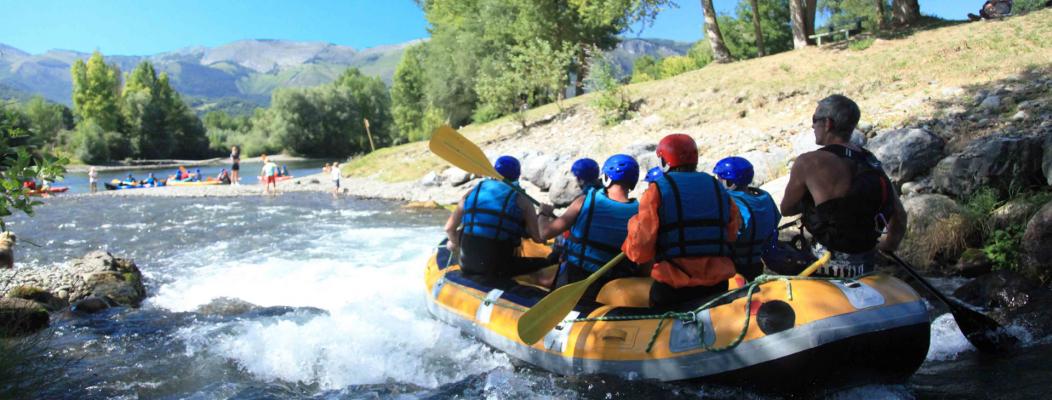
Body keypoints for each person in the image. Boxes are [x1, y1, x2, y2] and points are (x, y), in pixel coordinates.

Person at [780, 94, 907, 278]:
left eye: (814, 120)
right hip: (866, 264)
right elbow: (900, 217)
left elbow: (786, 209)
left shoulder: (809, 162)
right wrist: (888, 246)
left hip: (824, 265)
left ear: (828, 124)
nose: (812, 126)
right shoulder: (870, 161)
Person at [622, 134, 742, 307]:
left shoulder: (657, 190)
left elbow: (640, 251)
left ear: (664, 161)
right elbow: (732, 232)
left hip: (673, 287)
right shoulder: (717, 187)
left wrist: (633, 226)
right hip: (717, 285)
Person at [538, 155, 641, 301]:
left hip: (575, 277)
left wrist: (543, 213)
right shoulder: (640, 213)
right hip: (613, 288)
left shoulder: (585, 200)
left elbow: (544, 233)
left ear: (606, 177)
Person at [445, 155, 548, 288]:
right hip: (498, 268)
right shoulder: (522, 199)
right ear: (517, 176)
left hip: (467, 264)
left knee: (450, 242)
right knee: (546, 262)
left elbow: (448, 229)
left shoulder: (472, 192)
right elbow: (538, 238)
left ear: (493, 172)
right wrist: (544, 213)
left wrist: (455, 243)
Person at [713, 157, 781, 281]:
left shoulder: (729, 200)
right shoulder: (764, 197)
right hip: (757, 263)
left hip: (735, 266)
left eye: (720, 179)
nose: (718, 181)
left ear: (729, 183)